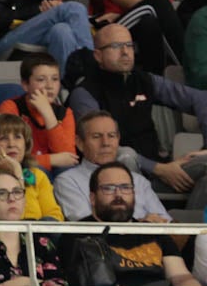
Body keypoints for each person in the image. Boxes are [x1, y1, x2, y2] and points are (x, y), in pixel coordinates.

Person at [70, 23, 207, 209]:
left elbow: (201, 99)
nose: (125, 52)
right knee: (125, 155)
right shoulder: (85, 93)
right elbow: (100, 147)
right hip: (117, 179)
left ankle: (189, 232)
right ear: (98, 55)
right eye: (116, 46)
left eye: (129, 45)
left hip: (162, 171)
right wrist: (158, 168)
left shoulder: (144, 80)